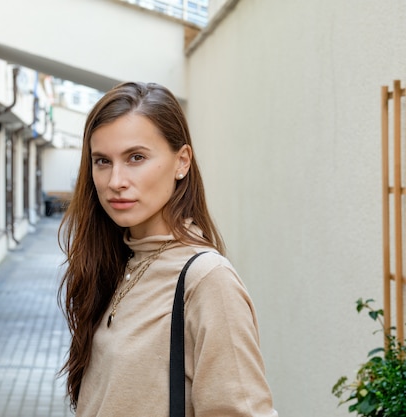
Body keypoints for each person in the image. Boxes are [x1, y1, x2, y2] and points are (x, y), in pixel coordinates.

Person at [58, 81, 278, 417]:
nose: (115, 180)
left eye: (136, 157)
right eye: (102, 161)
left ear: (182, 162)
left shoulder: (207, 280)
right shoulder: (120, 262)